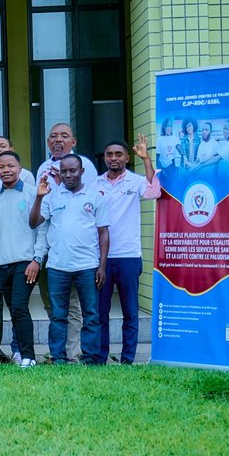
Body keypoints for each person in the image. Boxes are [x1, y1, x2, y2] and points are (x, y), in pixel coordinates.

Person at [30, 155, 110, 365]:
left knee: (91, 315)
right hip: (57, 267)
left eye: (72, 170)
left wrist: (102, 266)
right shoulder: (51, 197)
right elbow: (34, 222)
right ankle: (58, 357)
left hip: (88, 266)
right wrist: (39, 197)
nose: (68, 175)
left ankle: (91, 357)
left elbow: (103, 233)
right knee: (58, 316)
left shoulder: (95, 196)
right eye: (64, 171)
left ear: (81, 171)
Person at [0, 151, 44, 368]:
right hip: (2, 263)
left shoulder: (33, 193)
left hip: (26, 262)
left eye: (11, 166)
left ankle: (28, 357)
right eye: (1, 167)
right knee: (14, 309)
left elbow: (42, 230)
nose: (6, 170)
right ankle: (21, 353)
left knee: (20, 307)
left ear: (20, 169)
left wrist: (37, 260)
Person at [94, 137, 159, 365]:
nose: (114, 158)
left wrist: (146, 159)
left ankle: (127, 359)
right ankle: (100, 358)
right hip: (101, 258)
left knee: (130, 312)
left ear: (126, 158)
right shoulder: (95, 184)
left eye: (118, 154)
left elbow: (153, 192)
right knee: (100, 313)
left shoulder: (135, 181)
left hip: (128, 256)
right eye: (109, 154)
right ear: (104, 158)